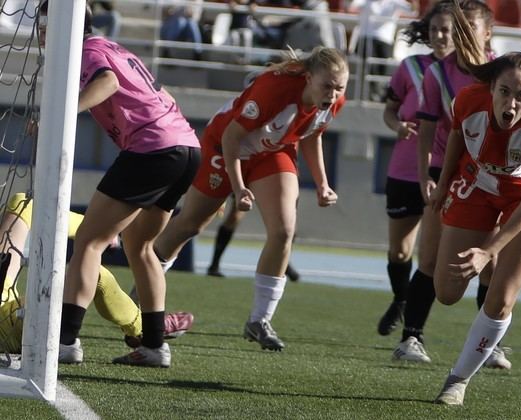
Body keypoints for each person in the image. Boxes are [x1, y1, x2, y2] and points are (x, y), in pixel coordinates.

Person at [39, 2, 201, 368]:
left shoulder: (87, 51)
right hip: (186, 147)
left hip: (152, 148)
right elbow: (166, 96)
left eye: (44, 26)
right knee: (141, 246)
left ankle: (64, 342)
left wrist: (61, 114)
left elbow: (107, 82)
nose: (41, 34)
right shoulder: (113, 47)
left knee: (89, 243)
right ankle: (155, 347)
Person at [154, 46, 348, 351]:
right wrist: (239, 186)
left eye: (340, 87)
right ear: (309, 78)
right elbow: (232, 137)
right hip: (225, 147)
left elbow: (313, 134)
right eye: (327, 86)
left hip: (273, 151)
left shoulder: (333, 100)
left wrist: (323, 183)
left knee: (284, 231)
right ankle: (143, 290)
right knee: (190, 225)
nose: (334, 93)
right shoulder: (274, 89)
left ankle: (259, 320)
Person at [430, 7, 521, 406]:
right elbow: (457, 135)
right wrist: (444, 179)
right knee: (447, 291)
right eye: (505, 91)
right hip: (478, 181)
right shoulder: (468, 100)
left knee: (501, 297)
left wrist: (491, 248)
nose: (511, 102)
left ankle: (457, 381)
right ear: (492, 89)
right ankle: (486, 264)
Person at [388, 0, 511, 370]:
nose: (462, 34)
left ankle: (491, 345)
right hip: (448, 171)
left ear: (487, 32)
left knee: (491, 262)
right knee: (430, 256)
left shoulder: (504, 72)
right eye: (458, 27)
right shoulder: (437, 73)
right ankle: (411, 336)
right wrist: (427, 174)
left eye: (470, 26)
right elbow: (428, 125)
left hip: (492, 176)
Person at [0, 193, 194, 358]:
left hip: (6, 300)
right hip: (5, 324)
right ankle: (145, 328)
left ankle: (101, 234)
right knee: (96, 274)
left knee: (22, 202)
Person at [377, 1, 454, 336]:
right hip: (406, 168)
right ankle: (401, 299)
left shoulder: (468, 74)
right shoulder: (410, 67)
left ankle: (413, 325)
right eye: (435, 29)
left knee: (429, 256)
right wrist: (397, 126)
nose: (440, 35)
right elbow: (390, 110)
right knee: (399, 250)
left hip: (443, 172)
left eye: (447, 29)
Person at [207, 194, 301, 282]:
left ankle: (283, 262)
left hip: (276, 178)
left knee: (288, 226)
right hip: (249, 178)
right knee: (234, 217)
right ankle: (214, 265)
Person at [347, 0, 419, 101]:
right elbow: (351, 7)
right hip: (364, 39)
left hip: (384, 42)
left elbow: (413, 11)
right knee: (368, 54)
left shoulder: (395, 2)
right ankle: (376, 91)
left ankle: (376, 91)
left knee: (380, 60)